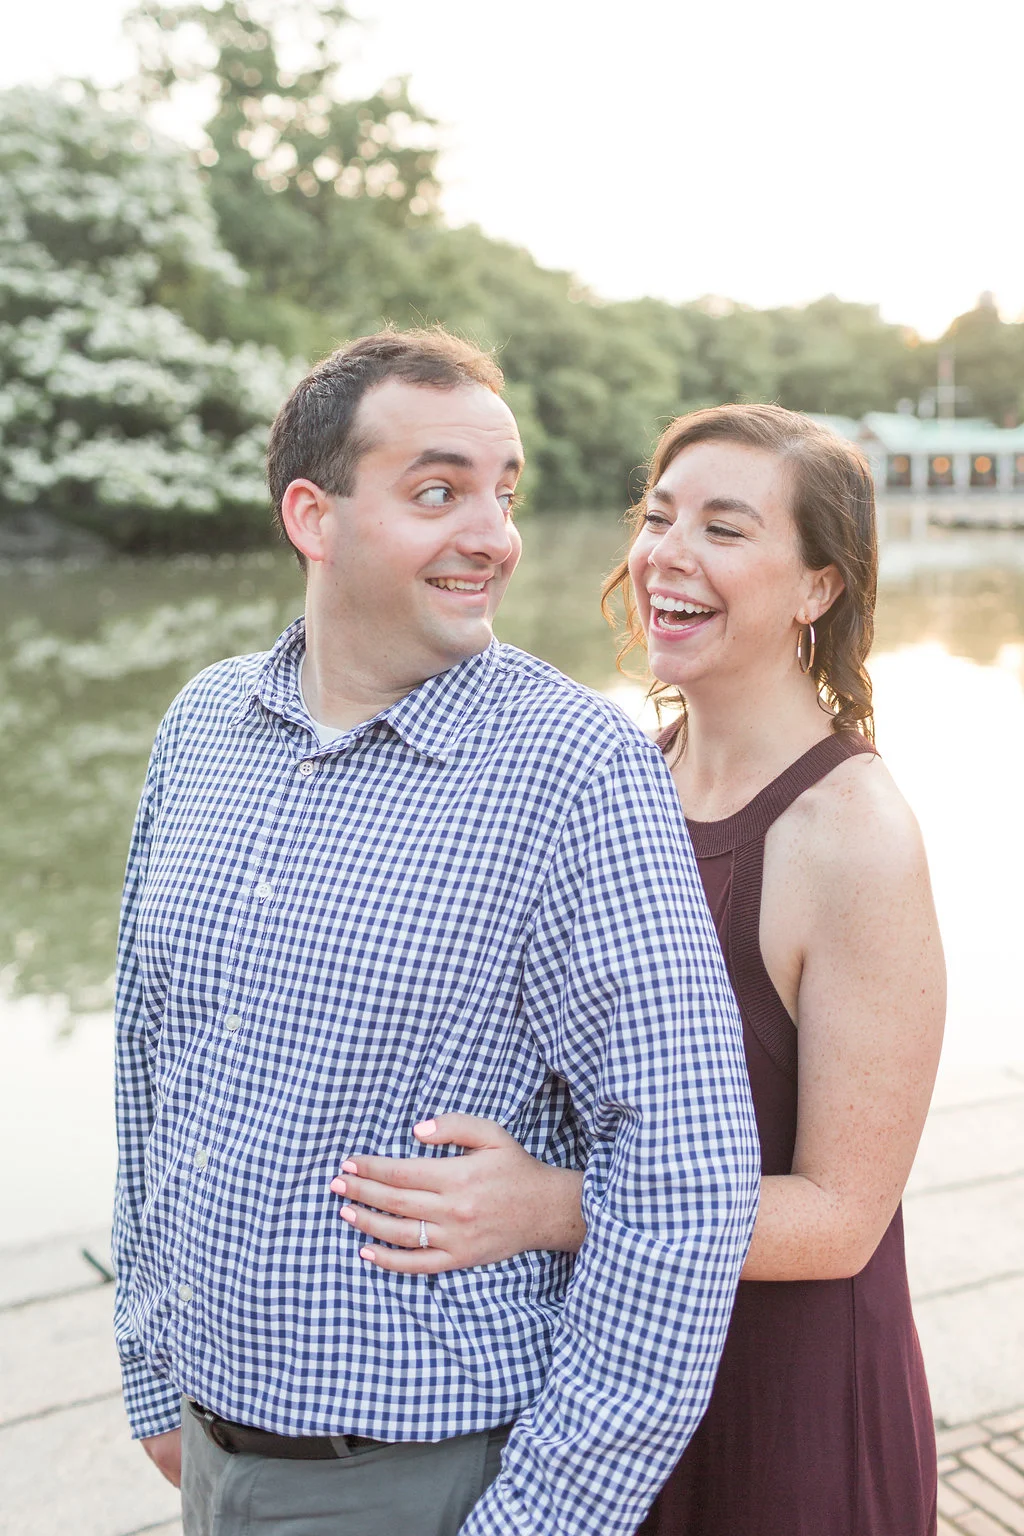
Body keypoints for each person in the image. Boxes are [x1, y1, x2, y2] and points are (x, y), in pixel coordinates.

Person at [112, 330, 761, 1536]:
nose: (493, 535)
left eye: (502, 494)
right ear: (315, 515)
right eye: (437, 492)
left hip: (434, 1484)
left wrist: (547, 1518)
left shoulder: (576, 771)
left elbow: (687, 1175)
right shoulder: (200, 725)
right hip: (208, 1458)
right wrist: (152, 1366)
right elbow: (150, 1067)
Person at [336, 403, 945, 1536]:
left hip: (781, 1404)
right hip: (599, 1389)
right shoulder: (614, 778)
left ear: (818, 586)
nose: (667, 554)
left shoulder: (851, 834)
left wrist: (545, 1207)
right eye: (658, 517)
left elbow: (843, 1216)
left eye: (724, 528)